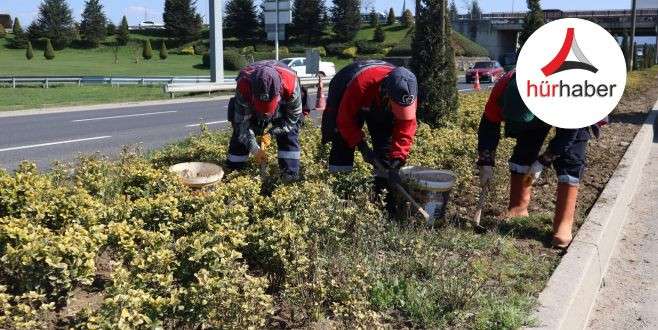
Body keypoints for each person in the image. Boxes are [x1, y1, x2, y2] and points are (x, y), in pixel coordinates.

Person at [477, 69, 597, 249]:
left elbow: (568, 135)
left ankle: (563, 224)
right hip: (538, 104)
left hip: (575, 102)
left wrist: (543, 161)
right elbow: (488, 126)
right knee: (524, 148)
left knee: (571, 157)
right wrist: (486, 163)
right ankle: (518, 207)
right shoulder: (501, 89)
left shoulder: (569, 92)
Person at [321, 60, 418, 211]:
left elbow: (406, 126)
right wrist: (362, 146)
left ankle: (384, 204)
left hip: (378, 101)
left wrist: (397, 161)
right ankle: (340, 197)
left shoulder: (408, 90)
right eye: (395, 106)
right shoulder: (361, 84)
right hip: (348, 85)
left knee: (386, 151)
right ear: (385, 92)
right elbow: (345, 120)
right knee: (341, 142)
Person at [226, 60, 303, 181]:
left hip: (284, 105)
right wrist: (255, 149)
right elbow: (242, 125)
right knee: (239, 134)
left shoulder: (291, 84)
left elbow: (292, 119)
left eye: (268, 107)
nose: (265, 113)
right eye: (261, 107)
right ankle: (234, 175)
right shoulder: (244, 85)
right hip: (249, 103)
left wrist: (272, 133)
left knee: (290, 134)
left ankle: (290, 177)